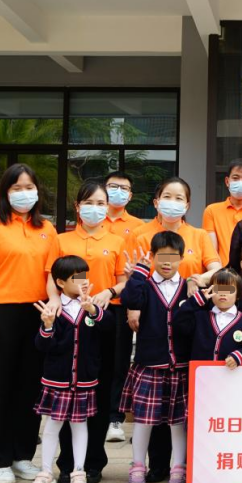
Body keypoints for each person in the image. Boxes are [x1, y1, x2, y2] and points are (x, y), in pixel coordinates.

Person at [0, 163, 62, 483]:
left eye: (29, 187)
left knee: (29, 388)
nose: (24, 193)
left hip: (36, 313)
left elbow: (51, 273)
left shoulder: (46, 228)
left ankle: (22, 455)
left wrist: (54, 301)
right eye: (17, 188)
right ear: (5, 192)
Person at [54, 180, 131, 483]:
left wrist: (108, 292)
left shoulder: (116, 241)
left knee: (100, 388)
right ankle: (66, 462)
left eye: (101, 204)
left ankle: (94, 461)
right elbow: (50, 278)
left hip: (104, 318)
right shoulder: (61, 240)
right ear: (77, 206)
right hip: (68, 319)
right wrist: (54, 303)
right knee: (68, 389)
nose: (95, 209)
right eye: (89, 203)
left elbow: (124, 280)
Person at [121, 231, 194, 483]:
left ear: (181, 258)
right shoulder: (145, 284)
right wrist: (139, 273)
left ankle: (178, 468)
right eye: (161, 256)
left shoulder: (188, 287)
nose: (167, 262)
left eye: (172, 257)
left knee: (178, 421)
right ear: (152, 257)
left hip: (180, 366)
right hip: (150, 364)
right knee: (144, 419)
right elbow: (129, 299)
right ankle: (137, 466)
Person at [28, 255, 103, 483]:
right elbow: (41, 346)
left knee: (79, 424)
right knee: (52, 424)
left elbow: (106, 329)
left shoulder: (91, 306)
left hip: (84, 378)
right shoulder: (51, 308)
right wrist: (48, 325)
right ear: (60, 282)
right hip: (57, 378)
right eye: (76, 278)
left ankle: (78, 471)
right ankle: (45, 471)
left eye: (85, 276)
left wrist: (93, 310)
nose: (83, 281)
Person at [102, 170, 144, 444]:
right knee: (92, 361)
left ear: (130, 195)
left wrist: (131, 304)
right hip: (89, 304)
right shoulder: (90, 220)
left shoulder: (137, 227)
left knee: (119, 363)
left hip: (119, 303)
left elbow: (135, 270)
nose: (118, 191)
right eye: (112, 186)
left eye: (124, 188)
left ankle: (114, 418)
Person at [179, 269, 242, 367]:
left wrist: (240, 355)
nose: (223, 293)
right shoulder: (200, 316)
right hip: (201, 374)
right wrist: (196, 300)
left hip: (231, 374)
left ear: (238, 295)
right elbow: (179, 322)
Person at [203, 158, 242, 265]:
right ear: (227, 181)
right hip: (222, 272)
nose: (240, 182)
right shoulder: (211, 210)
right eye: (235, 178)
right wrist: (220, 272)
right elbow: (211, 252)